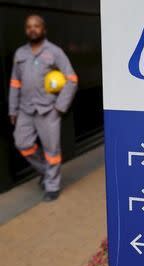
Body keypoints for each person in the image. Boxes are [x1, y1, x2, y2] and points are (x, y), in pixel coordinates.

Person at [8, 14, 78, 201]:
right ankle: (47, 172)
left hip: (48, 110)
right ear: (26, 30)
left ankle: (52, 186)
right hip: (25, 109)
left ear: (43, 29)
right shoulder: (20, 54)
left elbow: (72, 79)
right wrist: (12, 110)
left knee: (52, 151)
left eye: (36, 26)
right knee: (22, 143)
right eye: (29, 26)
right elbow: (15, 83)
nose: (32, 29)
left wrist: (60, 107)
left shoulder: (54, 52)